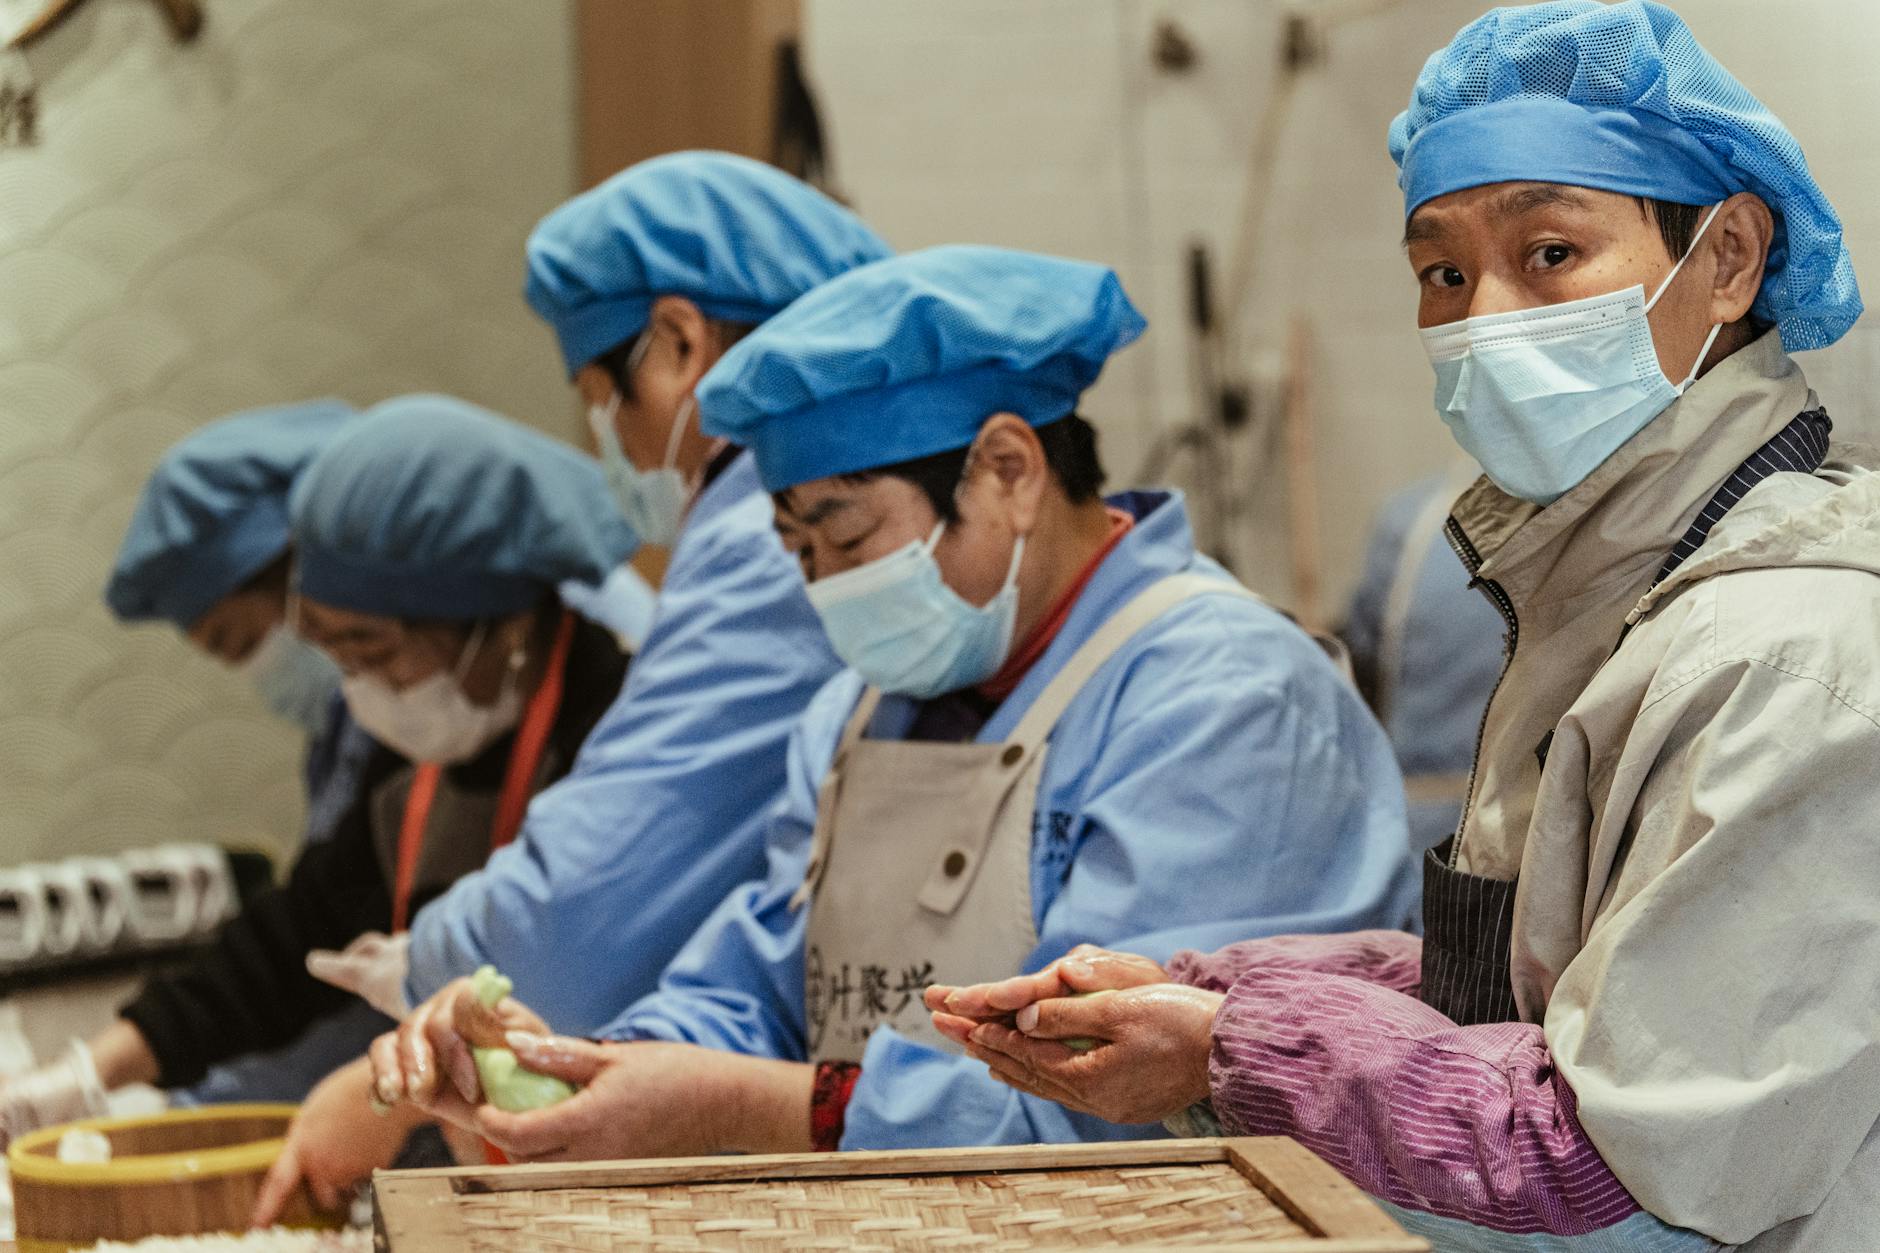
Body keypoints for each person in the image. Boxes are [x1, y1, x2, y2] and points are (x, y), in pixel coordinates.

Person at [931, 3, 1880, 1249]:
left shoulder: (1785, 655)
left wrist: (1227, 1049)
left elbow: (1618, 1167)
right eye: (1442, 272)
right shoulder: (1599, 600)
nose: (1484, 314)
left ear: (1728, 258)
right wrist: (1220, 991)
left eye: (1548, 252)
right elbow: (1548, 990)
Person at [370, 245, 1418, 1164]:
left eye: (850, 537)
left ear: (1006, 469)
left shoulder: (1230, 699)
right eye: (800, 552)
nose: (829, 588)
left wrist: (741, 1104)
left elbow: (1127, 1106)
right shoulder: (855, 714)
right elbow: (750, 989)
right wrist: (563, 1063)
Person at [254, 151, 887, 1219]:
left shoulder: (761, 538)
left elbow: (582, 918)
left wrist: (438, 980)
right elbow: (746, 965)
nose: (607, 437)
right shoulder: (757, 540)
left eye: (600, 398)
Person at [91, 392, 633, 1212]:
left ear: (501, 629)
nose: (361, 692)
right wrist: (94, 1071)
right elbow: (306, 925)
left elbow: (582, 964)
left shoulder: (616, 713)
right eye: (335, 654)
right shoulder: (426, 733)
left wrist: (401, 1081)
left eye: (371, 651)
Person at [0, 400, 392, 1147]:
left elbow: (336, 944)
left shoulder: (484, 702)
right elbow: (312, 927)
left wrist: (167, 1101)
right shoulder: (371, 717)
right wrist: (107, 1072)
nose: (265, 667)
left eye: (243, 641)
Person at [1341, 464, 1503, 853]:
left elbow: (1365, 660)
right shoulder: (1605, 517)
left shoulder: (1413, 516)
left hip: (1420, 833)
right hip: (1513, 827)